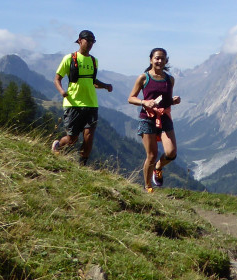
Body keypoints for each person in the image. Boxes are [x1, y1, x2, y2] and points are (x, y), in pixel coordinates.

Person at [52, 29, 113, 165]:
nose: (91, 43)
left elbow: (92, 81)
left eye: (93, 41)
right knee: (72, 139)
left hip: (91, 103)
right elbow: (57, 78)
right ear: (80, 41)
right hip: (73, 103)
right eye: (88, 40)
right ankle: (58, 146)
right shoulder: (69, 58)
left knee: (88, 137)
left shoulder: (94, 61)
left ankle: (82, 165)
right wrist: (62, 91)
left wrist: (105, 86)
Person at [128, 47, 182, 193]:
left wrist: (173, 100)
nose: (159, 61)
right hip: (147, 118)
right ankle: (148, 187)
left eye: (162, 58)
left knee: (171, 153)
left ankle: (158, 167)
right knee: (151, 155)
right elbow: (131, 98)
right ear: (151, 59)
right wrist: (144, 102)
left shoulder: (169, 79)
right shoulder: (144, 78)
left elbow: (166, 100)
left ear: (166, 61)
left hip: (164, 117)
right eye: (157, 58)